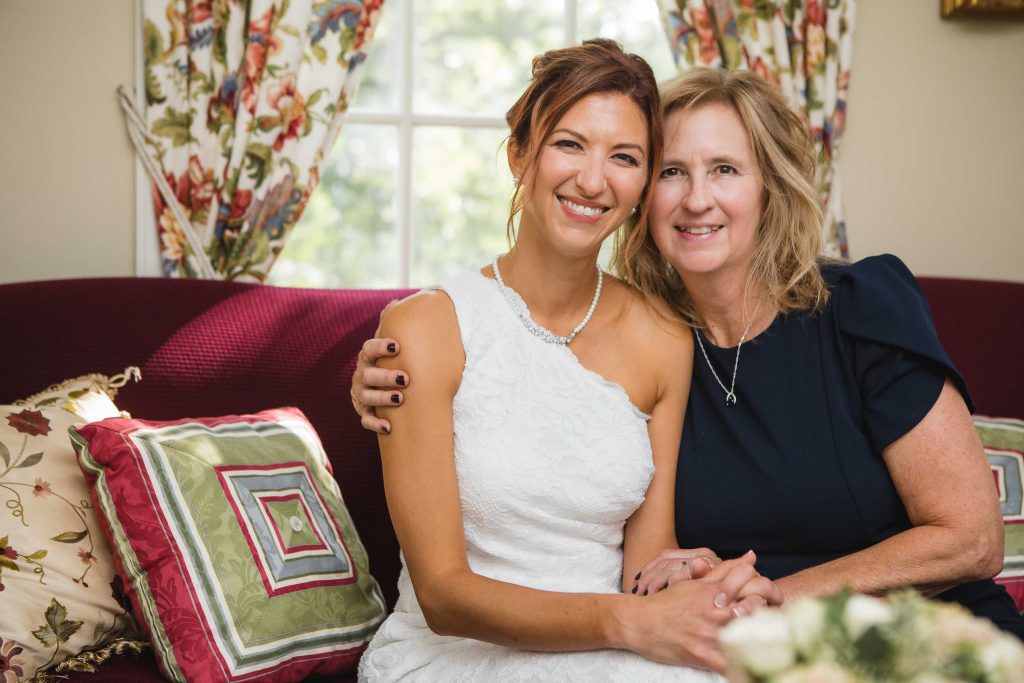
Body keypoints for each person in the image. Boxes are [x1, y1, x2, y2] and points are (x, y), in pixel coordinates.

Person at [352, 66, 1024, 639]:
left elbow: (972, 537)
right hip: (748, 651)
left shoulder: (860, 306)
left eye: (725, 169)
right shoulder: (654, 343)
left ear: (770, 187)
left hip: (920, 634)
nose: (697, 198)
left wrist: (779, 596)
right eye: (673, 171)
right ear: (647, 197)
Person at [356, 41, 783, 683]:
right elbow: (443, 596)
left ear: (642, 184)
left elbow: (646, 564)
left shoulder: (663, 337)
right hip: (454, 656)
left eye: (625, 158)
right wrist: (627, 622)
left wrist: (690, 578)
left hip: (611, 652)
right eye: (569, 144)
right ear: (520, 154)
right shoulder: (424, 331)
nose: (592, 180)